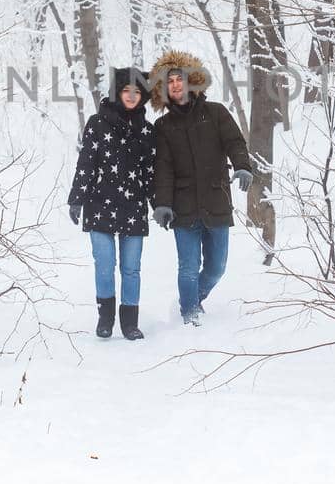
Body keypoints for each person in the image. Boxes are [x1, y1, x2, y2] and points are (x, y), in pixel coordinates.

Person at [147, 50, 253, 325]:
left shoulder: (216, 113)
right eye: (169, 82)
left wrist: (242, 165)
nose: (175, 85)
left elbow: (235, 143)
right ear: (163, 89)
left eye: (179, 79)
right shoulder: (163, 126)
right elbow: (163, 168)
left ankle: (191, 300)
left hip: (216, 200)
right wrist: (162, 203)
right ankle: (189, 313)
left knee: (217, 267)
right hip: (183, 209)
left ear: (191, 80)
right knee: (188, 268)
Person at [67, 67, 155, 340]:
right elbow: (86, 163)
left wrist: (160, 204)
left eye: (137, 92)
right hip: (99, 204)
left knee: (131, 268)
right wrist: (76, 198)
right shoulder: (97, 123)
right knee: (104, 264)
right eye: (127, 91)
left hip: (133, 207)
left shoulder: (147, 131)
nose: (131, 96)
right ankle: (105, 318)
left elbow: (151, 173)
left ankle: (130, 323)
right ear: (118, 92)